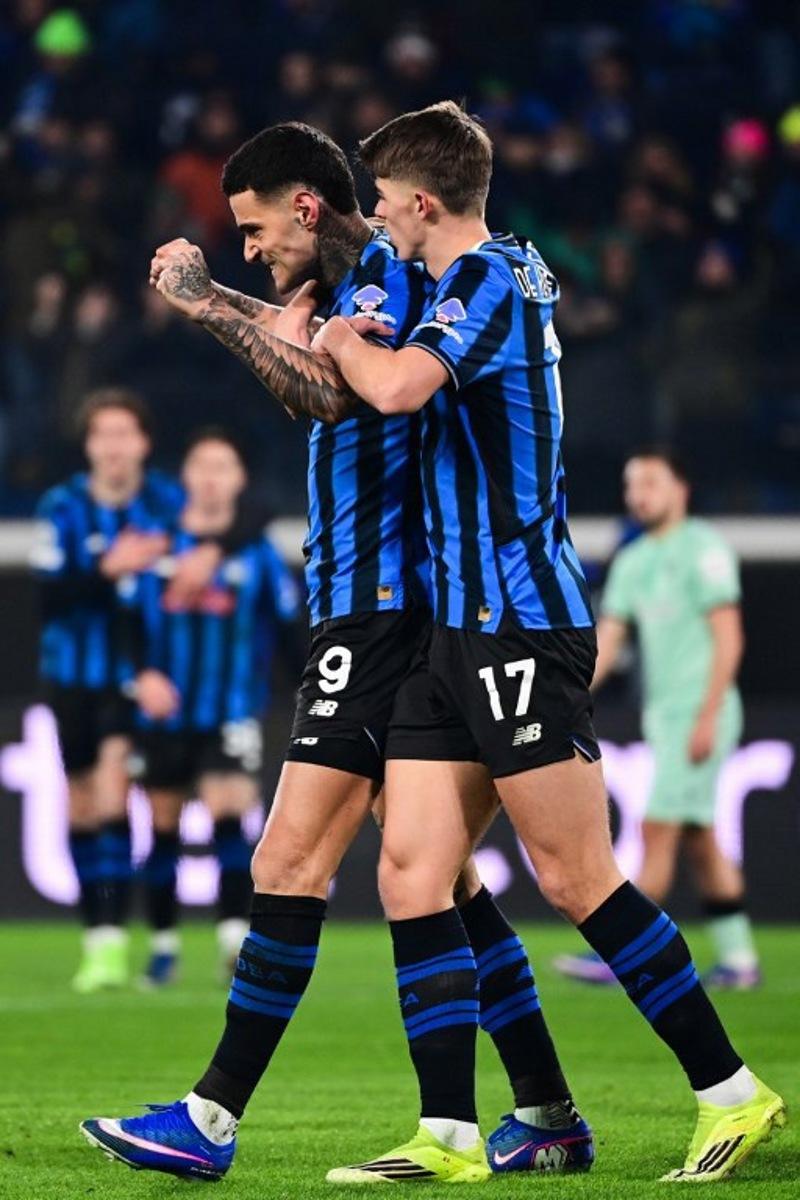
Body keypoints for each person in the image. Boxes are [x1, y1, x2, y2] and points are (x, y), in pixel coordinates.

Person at [80, 122, 593, 1182]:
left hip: (381, 611)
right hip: (378, 608)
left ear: (307, 207)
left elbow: (324, 387)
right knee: (439, 878)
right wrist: (243, 306)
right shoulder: (374, 280)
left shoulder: (386, 275)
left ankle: (213, 1118)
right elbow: (313, 356)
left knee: (290, 861)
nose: (253, 247)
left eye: (256, 228)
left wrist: (211, 304)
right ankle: (542, 1105)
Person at [308, 101, 784, 1184]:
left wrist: (334, 333)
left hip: (522, 622)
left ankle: (731, 1092)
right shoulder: (478, 275)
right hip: (453, 629)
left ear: (423, 203)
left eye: (385, 203)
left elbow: (390, 389)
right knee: (411, 869)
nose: (378, 221)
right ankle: (451, 1135)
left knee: (575, 877)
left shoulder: (483, 282)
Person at [554, 450, 759, 989]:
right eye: (632, 484)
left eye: (650, 482)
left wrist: (708, 716)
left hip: (701, 713)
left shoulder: (705, 550)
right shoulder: (634, 559)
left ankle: (625, 954)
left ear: (681, 489)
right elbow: (610, 640)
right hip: (665, 716)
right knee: (702, 839)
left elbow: (728, 638)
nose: (638, 494)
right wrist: (567, 697)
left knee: (656, 829)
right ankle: (739, 961)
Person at [123, 428, 302, 987]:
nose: (210, 477)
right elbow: (123, 625)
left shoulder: (258, 554)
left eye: (222, 467)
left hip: (232, 707)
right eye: (201, 466)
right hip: (165, 711)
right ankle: (163, 946)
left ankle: (232, 942)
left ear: (239, 480)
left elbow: (291, 628)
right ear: (186, 479)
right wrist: (140, 676)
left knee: (230, 813)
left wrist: (308, 687)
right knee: (163, 825)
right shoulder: (155, 547)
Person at [31, 388, 183, 992]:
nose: (115, 447)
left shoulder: (168, 505)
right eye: (104, 435)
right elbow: (49, 597)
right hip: (70, 674)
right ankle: (95, 935)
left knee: (115, 790)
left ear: (143, 442)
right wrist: (107, 569)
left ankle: (115, 939)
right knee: (81, 804)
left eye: (126, 434)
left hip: (137, 676)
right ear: (90, 445)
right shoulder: (61, 507)